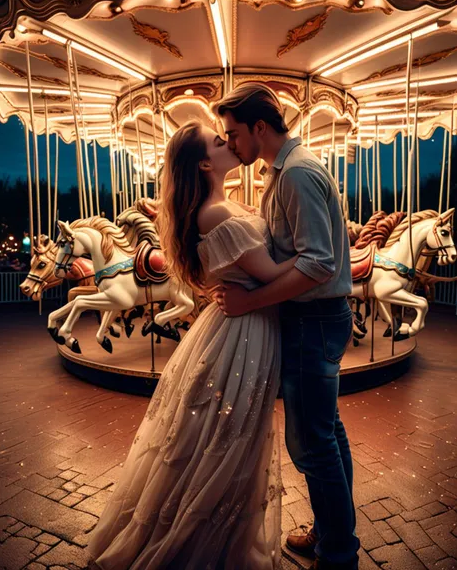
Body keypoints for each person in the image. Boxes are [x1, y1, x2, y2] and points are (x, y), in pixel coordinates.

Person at [87, 119, 301, 570]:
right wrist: (322, 252)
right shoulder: (216, 212)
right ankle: (205, 543)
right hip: (243, 331)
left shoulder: (225, 204)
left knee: (223, 436)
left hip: (239, 324)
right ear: (205, 162)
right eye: (219, 141)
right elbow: (270, 272)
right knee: (229, 438)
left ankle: (221, 533)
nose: (228, 143)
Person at [213, 83, 359, 570]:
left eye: (233, 134)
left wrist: (250, 299)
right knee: (327, 433)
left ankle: (338, 554)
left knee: (312, 443)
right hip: (319, 318)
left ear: (259, 127)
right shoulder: (286, 173)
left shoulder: (295, 175)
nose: (230, 143)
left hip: (313, 318)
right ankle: (332, 533)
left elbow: (317, 264)